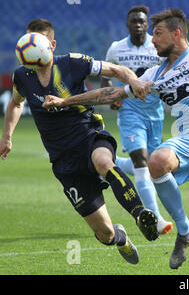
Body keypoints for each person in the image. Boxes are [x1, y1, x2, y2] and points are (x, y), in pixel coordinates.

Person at [43, 8, 189, 275]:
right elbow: (109, 93)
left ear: (177, 33)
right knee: (156, 162)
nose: (152, 40)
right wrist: (65, 101)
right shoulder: (154, 76)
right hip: (188, 140)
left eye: (157, 33)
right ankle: (185, 230)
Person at [0, 19, 159, 265]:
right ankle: (120, 238)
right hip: (63, 160)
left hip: (88, 135)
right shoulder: (22, 76)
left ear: (51, 44)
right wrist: (7, 136)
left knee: (103, 161)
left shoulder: (73, 63)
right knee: (104, 233)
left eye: (39, 42)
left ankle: (140, 214)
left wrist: (135, 82)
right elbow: (16, 103)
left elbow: (117, 70)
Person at [101, 5, 173, 235]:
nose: (139, 25)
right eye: (135, 21)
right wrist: (112, 97)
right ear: (128, 24)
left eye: (143, 22)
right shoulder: (116, 49)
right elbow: (106, 76)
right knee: (142, 166)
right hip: (130, 113)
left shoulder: (157, 46)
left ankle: (113, 164)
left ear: (147, 25)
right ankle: (157, 218)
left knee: (152, 166)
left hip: (155, 113)